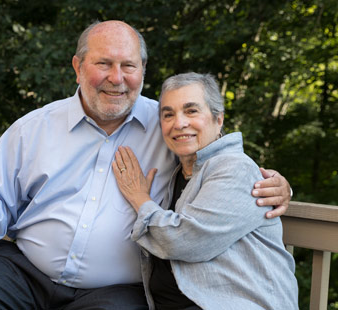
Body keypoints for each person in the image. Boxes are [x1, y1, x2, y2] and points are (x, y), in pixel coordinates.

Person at [0, 21, 292, 310]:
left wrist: (277, 184)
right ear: (78, 67)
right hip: (26, 272)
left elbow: (220, 161)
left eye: (128, 66)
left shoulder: (168, 125)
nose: (116, 78)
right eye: (103, 64)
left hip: (117, 290)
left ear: (143, 70)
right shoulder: (34, 129)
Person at [112, 72, 298, 310]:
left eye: (191, 111)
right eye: (168, 114)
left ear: (218, 119)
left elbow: (185, 242)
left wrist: (140, 199)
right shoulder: (177, 172)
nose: (179, 123)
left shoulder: (235, 168)